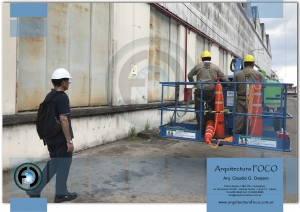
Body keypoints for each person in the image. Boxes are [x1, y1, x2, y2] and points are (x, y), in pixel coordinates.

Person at [26, 68, 77, 203]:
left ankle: (34, 189)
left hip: (50, 138)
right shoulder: (62, 97)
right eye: (68, 81)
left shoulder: (50, 95)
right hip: (61, 139)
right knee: (64, 164)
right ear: (63, 82)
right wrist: (69, 141)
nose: (68, 84)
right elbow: (64, 119)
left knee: (54, 163)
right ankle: (61, 194)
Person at [188, 50, 231, 133]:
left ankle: (201, 128)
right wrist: (230, 85)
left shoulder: (198, 66)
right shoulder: (215, 67)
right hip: (211, 92)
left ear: (202, 59)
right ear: (210, 58)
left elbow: (189, 75)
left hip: (199, 91)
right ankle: (214, 126)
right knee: (214, 109)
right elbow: (223, 77)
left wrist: (194, 83)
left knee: (199, 109)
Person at [232, 54, 266, 134]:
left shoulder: (238, 74)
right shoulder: (258, 74)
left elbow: (233, 85)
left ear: (244, 63)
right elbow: (264, 85)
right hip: (253, 100)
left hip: (240, 99)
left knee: (239, 116)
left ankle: (236, 132)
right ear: (253, 64)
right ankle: (253, 131)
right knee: (253, 116)